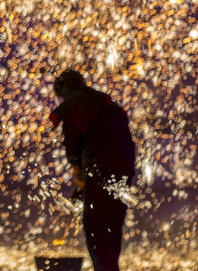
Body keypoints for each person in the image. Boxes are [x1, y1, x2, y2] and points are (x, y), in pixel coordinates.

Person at [50, 69, 136, 271]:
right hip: (124, 167)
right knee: (112, 225)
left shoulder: (75, 102)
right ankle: (110, 267)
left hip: (101, 166)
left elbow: (73, 144)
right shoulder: (102, 101)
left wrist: (79, 172)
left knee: (96, 226)